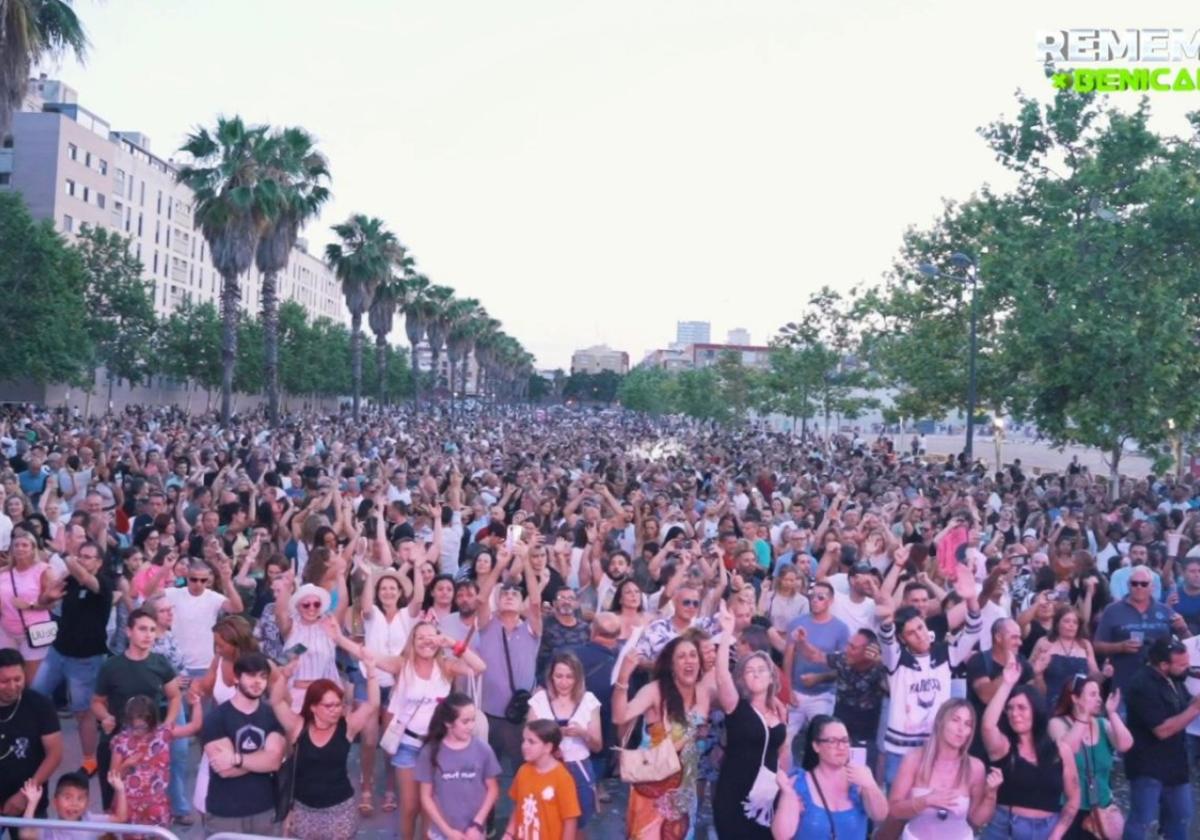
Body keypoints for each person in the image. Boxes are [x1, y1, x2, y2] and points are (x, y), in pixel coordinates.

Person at [376, 619, 487, 840]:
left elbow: (479, 667)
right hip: (408, 744)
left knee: (432, 809)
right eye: (421, 637)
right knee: (409, 808)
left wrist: (452, 642)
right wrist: (339, 638)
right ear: (412, 641)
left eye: (431, 637)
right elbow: (370, 658)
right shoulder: (402, 664)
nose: (427, 641)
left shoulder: (446, 665)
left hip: (437, 747)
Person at [877, 570, 982, 786]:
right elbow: (886, 641)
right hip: (900, 751)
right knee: (896, 811)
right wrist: (887, 621)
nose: (920, 634)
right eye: (911, 633)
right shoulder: (896, 660)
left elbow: (973, 631)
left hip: (935, 749)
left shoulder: (945, 655)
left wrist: (971, 599)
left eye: (920, 627)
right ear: (902, 639)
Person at [614, 634, 711, 839]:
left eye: (693, 655)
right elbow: (619, 716)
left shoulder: (704, 693)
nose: (689, 661)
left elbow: (734, 700)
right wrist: (623, 678)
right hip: (653, 789)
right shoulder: (655, 691)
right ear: (671, 665)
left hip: (685, 791)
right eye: (682, 656)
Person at [269, 665, 381, 840]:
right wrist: (284, 675)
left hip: (340, 809)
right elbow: (276, 702)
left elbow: (373, 704)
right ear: (313, 707)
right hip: (303, 809)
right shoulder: (298, 726)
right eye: (329, 705)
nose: (335, 710)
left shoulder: (348, 726)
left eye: (338, 704)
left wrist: (372, 672)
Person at [29, 539, 109, 778]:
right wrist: (47, 596)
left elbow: (86, 579)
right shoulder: (70, 580)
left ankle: (89, 761)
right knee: (34, 697)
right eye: (80, 555)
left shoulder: (102, 583)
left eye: (88, 557)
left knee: (83, 712)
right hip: (57, 652)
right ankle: (35, 747)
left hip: (85, 660)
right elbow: (45, 601)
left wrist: (64, 554)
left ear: (99, 562)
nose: (82, 560)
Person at [91, 608, 181, 811]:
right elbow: (97, 701)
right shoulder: (111, 666)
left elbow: (174, 696)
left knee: (149, 801)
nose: (148, 635)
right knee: (112, 802)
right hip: (115, 743)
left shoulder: (160, 664)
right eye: (142, 629)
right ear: (128, 632)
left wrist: (168, 725)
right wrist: (105, 717)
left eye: (152, 629)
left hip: (149, 746)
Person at [980, 658, 1080, 840]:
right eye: (1009, 709)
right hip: (1006, 829)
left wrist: (1056, 836)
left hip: (1048, 830)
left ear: (1036, 710)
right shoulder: (1003, 747)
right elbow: (987, 726)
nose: (1014, 714)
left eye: (1021, 708)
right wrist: (1007, 684)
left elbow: (1073, 799)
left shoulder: (1060, 750)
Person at [711, 605, 787, 839]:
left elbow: (783, 753)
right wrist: (727, 632)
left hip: (767, 794)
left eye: (761, 669)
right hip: (735, 791)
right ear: (742, 678)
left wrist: (787, 788)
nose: (755, 673)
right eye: (749, 670)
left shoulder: (778, 710)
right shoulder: (736, 706)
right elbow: (721, 673)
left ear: (771, 675)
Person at [888, 699, 1003, 839]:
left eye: (967, 724)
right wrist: (925, 801)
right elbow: (894, 810)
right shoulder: (914, 759)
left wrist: (991, 795)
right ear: (940, 721)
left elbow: (977, 820)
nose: (961, 729)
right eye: (955, 720)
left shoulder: (975, 767)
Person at [357, 566, 421, 816]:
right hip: (370, 680)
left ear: (398, 592)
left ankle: (391, 789)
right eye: (383, 588)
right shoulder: (371, 615)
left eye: (392, 588)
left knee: (390, 740)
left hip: (397, 685)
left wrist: (415, 565)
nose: (388, 591)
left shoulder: (408, 615)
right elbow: (365, 603)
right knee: (369, 739)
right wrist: (371, 574)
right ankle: (366, 786)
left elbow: (418, 597)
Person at [200, 651, 287, 835]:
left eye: (263, 676)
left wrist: (236, 759)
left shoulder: (272, 715)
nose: (258, 682)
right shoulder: (216, 717)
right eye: (251, 675)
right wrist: (261, 759)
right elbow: (224, 769)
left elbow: (274, 761)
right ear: (237, 678)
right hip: (225, 813)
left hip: (264, 810)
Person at [1122, 638, 1200, 840]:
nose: (1188, 668)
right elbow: (1162, 730)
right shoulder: (1142, 685)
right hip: (1148, 766)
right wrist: (1196, 708)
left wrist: (1194, 703)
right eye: (1182, 665)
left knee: (1181, 816)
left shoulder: (1174, 679)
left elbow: (1184, 707)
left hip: (1176, 765)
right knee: (1142, 822)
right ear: (1163, 665)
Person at [770, 715, 889, 840]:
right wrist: (788, 794)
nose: (841, 747)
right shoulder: (799, 783)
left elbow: (880, 815)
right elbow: (782, 835)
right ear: (816, 746)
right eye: (832, 741)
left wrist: (870, 786)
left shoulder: (860, 778)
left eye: (845, 740)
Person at [1046, 675, 1132, 840]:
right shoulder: (1057, 724)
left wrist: (1113, 714)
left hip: (1100, 808)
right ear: (1075, 698)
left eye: (1099, 694)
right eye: (1092, 695)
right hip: (1070, 808)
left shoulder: (1102, 724)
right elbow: (1068, 750)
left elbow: (1126, 744)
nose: (1099, 699)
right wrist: (1083, 717)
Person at [527, 651, 602, 831]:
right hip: (545, 767)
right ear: (551, 677)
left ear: (577, 678)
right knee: (546, 821)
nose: (564, 682)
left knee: (578, 824)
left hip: (578, 768)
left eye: (569, 677)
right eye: (559, 676)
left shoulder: (588, 700)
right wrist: (552, 734)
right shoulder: (539, 700)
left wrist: (582, 733)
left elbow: (598, 745)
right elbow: (528, 741)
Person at [108, 692, 204, 829]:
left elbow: (194, 726)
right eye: (134, 727)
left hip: (156, 805)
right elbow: (113, 777)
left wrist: (196, 703)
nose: (138, 732)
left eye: (143, 727)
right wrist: (126, 764)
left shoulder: (163, 734)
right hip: (128, 805)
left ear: (152, 722)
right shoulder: (121, 741)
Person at [416, 693, 501, 840]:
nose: (471, 726)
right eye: (465, 721)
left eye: (473, 720)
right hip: (441, 832)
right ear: (448, 723)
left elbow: (492, 790)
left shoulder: (483, 750)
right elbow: (425, 796)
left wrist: (478, 824)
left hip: (474, 832)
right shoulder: (430, 752)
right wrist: (448, 831)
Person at [1093, 565, 1184, 695]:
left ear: (1152, 587)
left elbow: (1187, 644)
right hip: (1124, 685)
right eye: (1134, 583)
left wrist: (1183, 629)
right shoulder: (1112, 610)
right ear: (1128, 585)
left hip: (1159, 687)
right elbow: (1097, 645)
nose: (1139, 587)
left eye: (1144, 584)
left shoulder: (1164, 610)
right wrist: (1120, 647)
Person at [782, 580, 849, 748]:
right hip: (796, 693)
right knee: (784, 740)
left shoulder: (841, 629)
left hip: (824, 695)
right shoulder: (796, 623)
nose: (814, 600)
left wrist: (819, 679)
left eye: (821, 597)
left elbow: (843, 666)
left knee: (822, 743)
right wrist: (788, 690)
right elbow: (788, 657)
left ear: (831, 601)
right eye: (812, 596)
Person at [0, 649, 61, 824]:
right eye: (4, 681)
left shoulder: (40, 705)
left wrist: (24, 795)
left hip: (30, 804)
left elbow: (54, 754)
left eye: (17, 679)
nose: (12, 686)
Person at [163, 557, 244, 681]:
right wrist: (164, 570)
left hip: (205, 665)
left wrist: (227, 582)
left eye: (203, 580)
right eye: (194, 579)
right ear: (187, 577)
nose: (198, 584)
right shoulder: (174, 594)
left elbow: (237, 608)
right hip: (177, 665)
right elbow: (148, 594)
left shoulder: (214, 597)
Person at [964, 618, 1034, 758]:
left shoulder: (1023, 664)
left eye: (1020, 638)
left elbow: (1033, 699)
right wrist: (1008, 672)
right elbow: (985, 696)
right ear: (998, 637)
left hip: (1014, 741)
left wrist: (1038, 675)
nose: (1019, 643)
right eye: (1014, 637)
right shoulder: (978, 661)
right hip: (982, 742)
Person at [502, 720, 581, 840]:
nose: (524, 746)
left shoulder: (563, 778)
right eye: (524, 740)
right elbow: (518, 805)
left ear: (548, 747)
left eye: (531, 742)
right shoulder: (523, 771)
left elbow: (570, 820)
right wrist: (509, 833)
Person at [0, 530, 61, 681]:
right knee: (7, 676)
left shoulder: (43, 570)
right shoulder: (4, 573)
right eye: (16, 545)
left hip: (35, 632)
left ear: (33, 548)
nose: (20, 548)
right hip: (7, 631)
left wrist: (30, 605)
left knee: (30, 680)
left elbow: (54, 604)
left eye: (25, 545)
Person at [1028, 605, 1103, 715]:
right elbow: (1029, 672)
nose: (1071, 625)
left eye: (1075, 622)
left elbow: (1094, 675)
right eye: (1067, 621)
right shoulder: (1044, 643)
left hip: (1079, 704)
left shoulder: (1085, 645)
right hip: (1051, 703)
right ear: (1057, 623)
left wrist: (1104, 673)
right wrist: (1038, 666)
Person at [16, 771, 126, 840]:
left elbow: (120, 818)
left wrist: (120, 790)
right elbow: (26, 836)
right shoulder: (49, 827)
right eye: (68, 797)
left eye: (80, 798)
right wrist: (32, 803)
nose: (74, 804)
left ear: (87, 803)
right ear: (55, 802)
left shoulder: (92, 822)